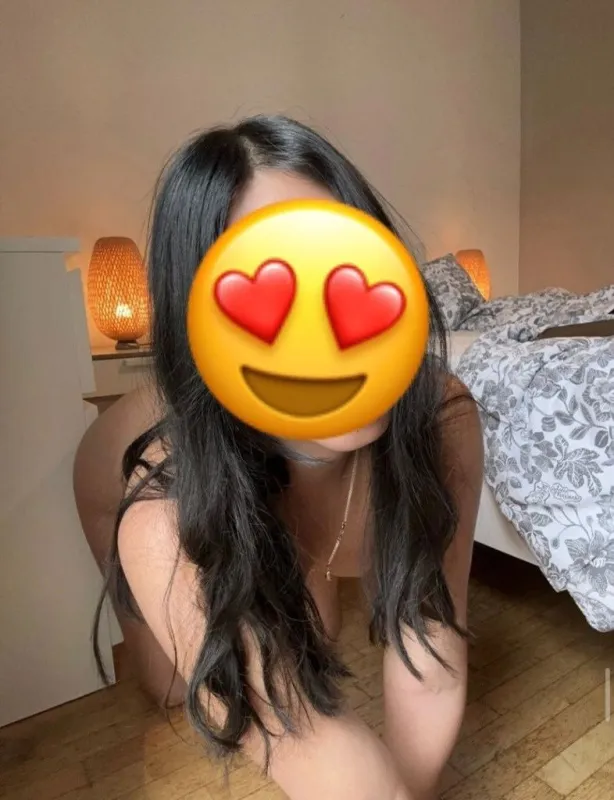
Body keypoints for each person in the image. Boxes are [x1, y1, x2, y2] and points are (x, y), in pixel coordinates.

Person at [74, 114, 483, 800]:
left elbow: (432, 661)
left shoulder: (443, 420)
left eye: (345, 268)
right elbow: (301, 741)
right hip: (111, 471)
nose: (331, 337)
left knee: (311, 632)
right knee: (178, 686)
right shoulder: (160, 515)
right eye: (273, 291)